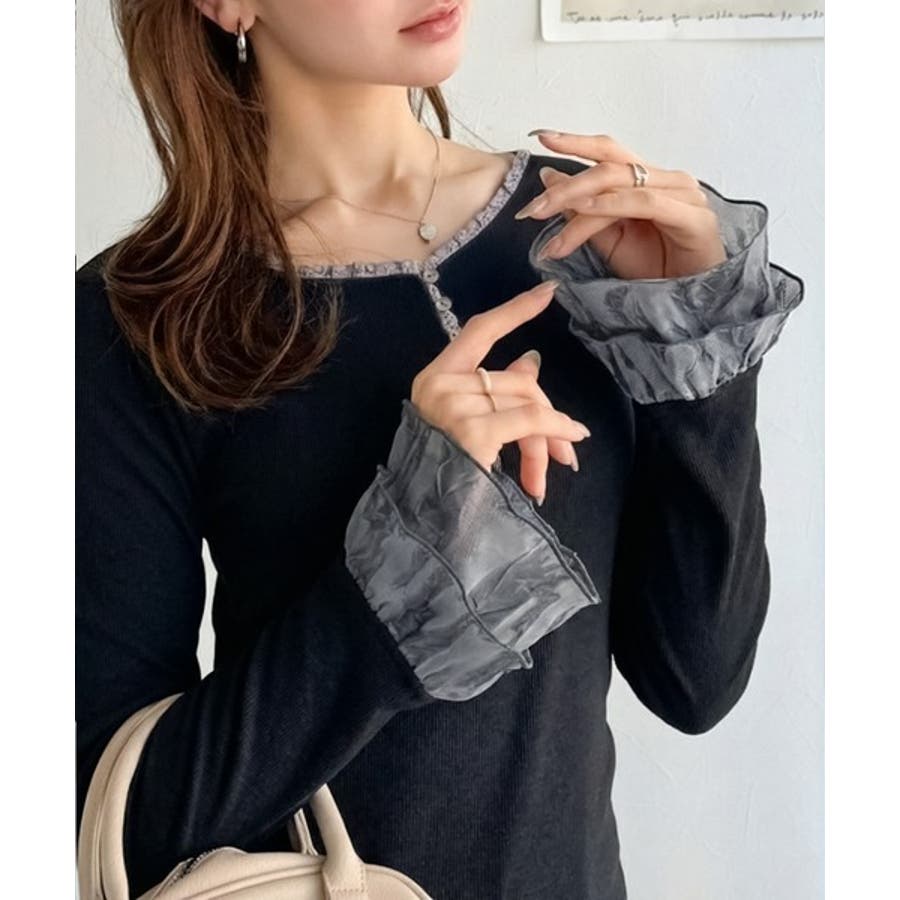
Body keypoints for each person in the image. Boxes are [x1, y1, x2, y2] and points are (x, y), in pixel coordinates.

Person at [75, 1, 805, 897]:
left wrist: (697, 358)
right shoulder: (137, 320)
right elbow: (123, 819)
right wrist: (403, 569)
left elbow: (698, 680)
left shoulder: (584, 232)